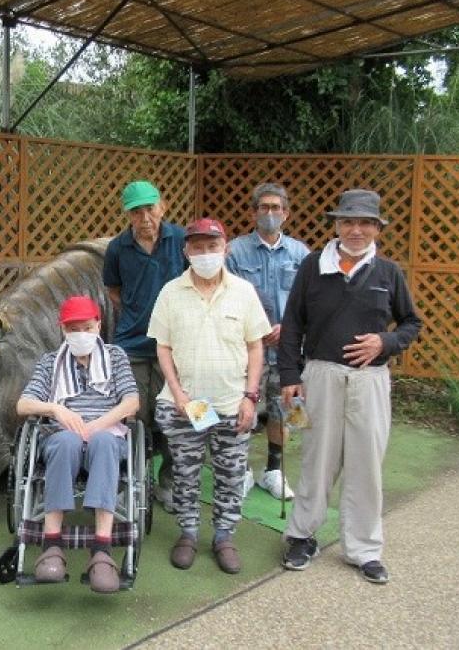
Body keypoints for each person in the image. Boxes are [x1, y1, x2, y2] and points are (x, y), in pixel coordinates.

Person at [276, 189, 421, 584]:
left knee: (366, 465)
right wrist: (289, 376)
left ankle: (364, 549)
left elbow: (412, 323)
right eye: (348, 222)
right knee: (316, 460)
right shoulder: (312, 266)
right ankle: (302, 536)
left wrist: (385, 342)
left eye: (365, 223)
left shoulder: (388, 272)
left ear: (377, 228)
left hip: (370, 380)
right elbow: (292, 325)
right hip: (320, 375)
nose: (356, 230)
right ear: (337, 225)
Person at [148, 218, 272, 574]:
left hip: (232, 404)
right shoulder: (171, 292)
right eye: (197, 248)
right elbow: (163, 348)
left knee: (230, 474)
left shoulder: (244, 292)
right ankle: (187, 533)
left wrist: (250, 396)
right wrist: (178, 393)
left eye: (212, 247)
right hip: (185, 406)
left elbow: (255, 346)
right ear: (186, 251)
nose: (205, 254)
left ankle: (223, 536)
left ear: (225, 248)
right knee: (184, 473)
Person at [16, 295, 139, 594]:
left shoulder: (115, 356)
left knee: (104, 442)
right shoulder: (50, 362)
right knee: (66, 442)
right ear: (63, 330)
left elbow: (132, 402)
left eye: (86, 326)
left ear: (98, 325)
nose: (80, 333)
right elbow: (23, 404)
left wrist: (97, 425)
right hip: (63, 436)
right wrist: (56, 409)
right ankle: (52, 545)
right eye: (73, 328)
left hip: (105, 434)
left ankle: (102, 550)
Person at [103, 180, 186, 512]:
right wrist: (139, 310)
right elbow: (113, 291)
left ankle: (168, 482)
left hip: (177, 345)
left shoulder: (181, 240)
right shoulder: (117, 248)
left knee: (174, 417)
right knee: (132, 415)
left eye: (149, 208)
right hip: (132, 344)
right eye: (136, 212)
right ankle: (131, 482)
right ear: (128, 215)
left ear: (162, 207)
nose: (145, 217)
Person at [226, 182, 310, 501]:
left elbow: (308, 302)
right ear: (253, 212)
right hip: (248, 350)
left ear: (286, 213)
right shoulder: (234, 251)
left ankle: (273, 470)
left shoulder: (301, 254)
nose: (271, 213)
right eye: (264, 208)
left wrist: (288, 328)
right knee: (244, 409)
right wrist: (258, 328)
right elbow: (227, 298)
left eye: (277, 208)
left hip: (289, 351)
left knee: (285, 411)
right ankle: (243, 470)